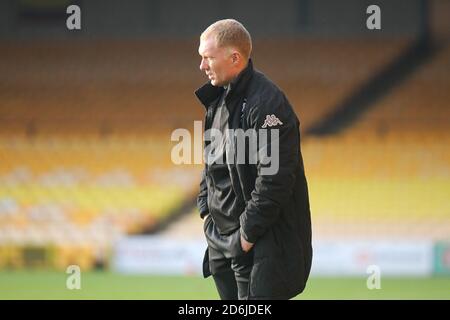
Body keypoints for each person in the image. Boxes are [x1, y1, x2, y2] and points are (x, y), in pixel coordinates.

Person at [195, 19, 312, 300]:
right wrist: (207, 213)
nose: (202, 66)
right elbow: (211, 167)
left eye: (208, 57)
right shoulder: (217, 101)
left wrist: (246, 236)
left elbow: (275, 179)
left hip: (258, 244)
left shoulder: (268, 103)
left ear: (234, 58)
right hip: (221, 242)